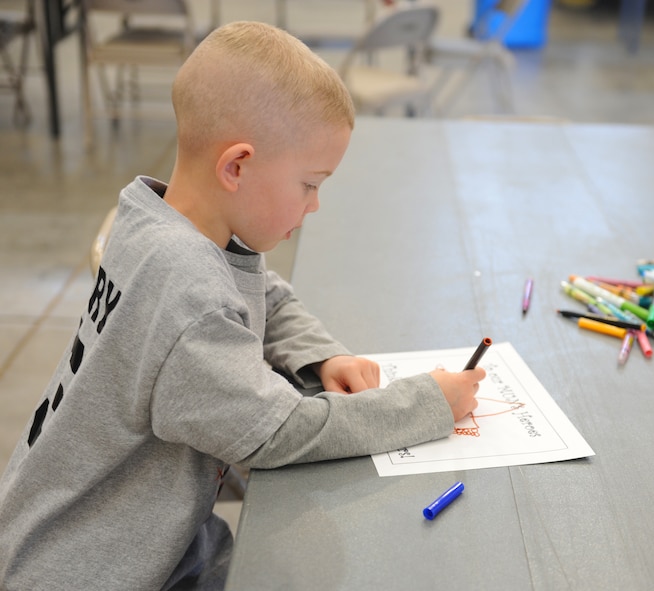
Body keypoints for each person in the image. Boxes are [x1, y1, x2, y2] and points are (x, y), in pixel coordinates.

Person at [0, 21, 484, 590]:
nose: (315, 205)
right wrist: (424, 403)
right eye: (309, 184)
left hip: (109, 532)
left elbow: (265, 295)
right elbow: (276, 433)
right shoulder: (188, 289)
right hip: (93, 569)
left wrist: (321, 356)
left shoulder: (160, 219)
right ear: (237, 167)